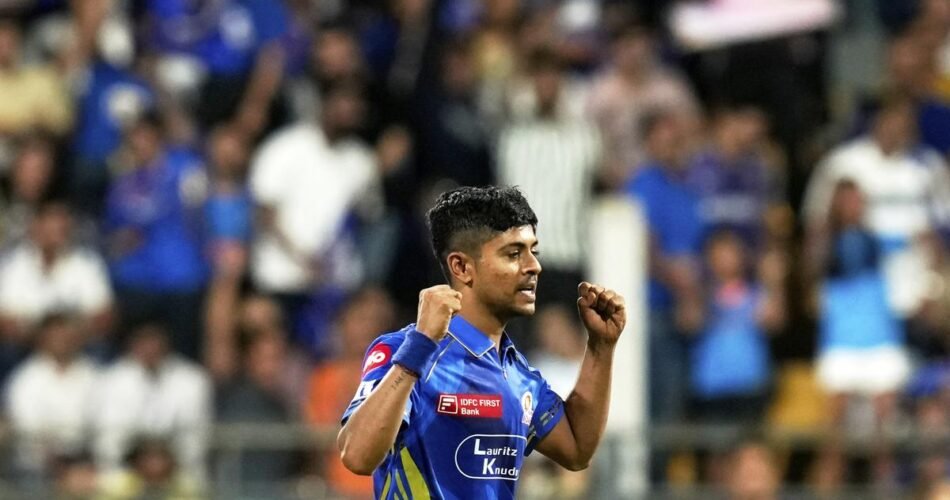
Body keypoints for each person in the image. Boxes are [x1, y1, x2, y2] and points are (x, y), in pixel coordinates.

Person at [337, 186, 626, 498]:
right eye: (513, 254)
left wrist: (600, 346)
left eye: (534, 251)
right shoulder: (406, 350)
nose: (533, 266)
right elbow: (357, 456)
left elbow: (577, 449)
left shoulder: (517, 371)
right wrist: (420, 346)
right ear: (462, 267)